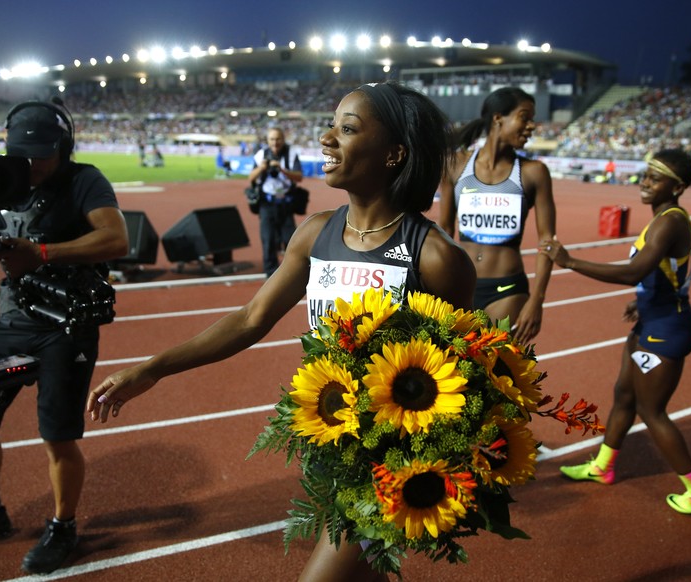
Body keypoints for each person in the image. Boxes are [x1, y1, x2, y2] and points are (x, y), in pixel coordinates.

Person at [87, 81, 476, 581]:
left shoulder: (437, 258)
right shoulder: (316, 233)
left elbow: (462, 378)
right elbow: (250, 320)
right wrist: (154, 367)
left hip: (388, 461)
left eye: (348, 128)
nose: (327, 138)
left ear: (394, 153)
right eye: (332, 124)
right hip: (323, 438)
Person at [0, 100, 130, 573]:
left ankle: (63, 526)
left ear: (64, 146)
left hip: (67, 328)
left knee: (58, 436)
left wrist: (43, 252)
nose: (33, 165)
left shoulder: (84, 181)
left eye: (42, 155)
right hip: (13, 323)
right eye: (25, 154)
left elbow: (117, 239)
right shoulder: (0, 177)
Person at [539, 149, 691, 516]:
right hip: (652, 320)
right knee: (623, 394)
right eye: (646, 174)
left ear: (678, 186)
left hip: (667, 330)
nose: (646, 181)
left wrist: (570, 261)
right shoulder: (661, 219)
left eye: (657, 177)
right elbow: (667, 274)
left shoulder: (669, 221)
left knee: (651, 411)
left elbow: (632, 272)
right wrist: (644, 302)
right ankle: (603, 467)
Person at [438, 86, 556, 345]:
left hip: (507, 290)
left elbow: (548, 241)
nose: (531, 126)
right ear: (498, 118)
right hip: (460, 284)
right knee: (453, 372)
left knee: (493, 373)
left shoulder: (533, 172)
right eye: (524, 117)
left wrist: (536, 300)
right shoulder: (456, 164)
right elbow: (444, 228)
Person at [247, 127, 304, 277]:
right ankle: (270, 273)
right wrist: (262, 168)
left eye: (278, 139)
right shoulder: (261, 155)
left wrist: (282, 169)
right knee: (268, 239)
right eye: (272, 139)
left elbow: (299, 177)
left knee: (290, 239)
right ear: (267, 141)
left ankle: (291, 272)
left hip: (286, 203)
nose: (275, 142)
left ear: (283, 140)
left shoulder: (291, 153)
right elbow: (250, 178)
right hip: (267, 203)